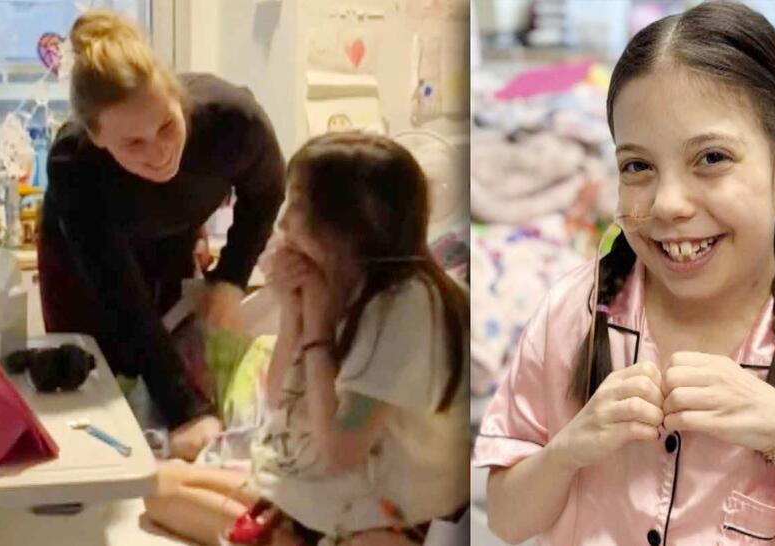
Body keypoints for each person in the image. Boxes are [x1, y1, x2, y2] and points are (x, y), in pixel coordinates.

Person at [475, 2, 775, 545]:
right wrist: (570, 448)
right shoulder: (571, 315)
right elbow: (507, 519)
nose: (669, 203)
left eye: (712, 158)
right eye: (637, 166)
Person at [143, 133, 470, 545]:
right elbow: (280, 397)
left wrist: (315, 327)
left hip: (388, 516)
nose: (282, 224)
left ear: (345, 223)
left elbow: (341, 449)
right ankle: (282, 532)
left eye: (296, 205)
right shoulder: (344, 281)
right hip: (330, 494)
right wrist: (294, 313)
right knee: (153, 487)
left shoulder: (407, 305)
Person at [39, 10, 285, 460]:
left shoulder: (233, 120)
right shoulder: (75, 166)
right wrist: (187, 413)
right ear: (97, 139)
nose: (159, 153)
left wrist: (230, 279)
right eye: (133, 144)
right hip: (84, 267)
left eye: (168, 125)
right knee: (106, 376)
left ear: (178, 98)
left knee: (184, 340)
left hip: (172, 233)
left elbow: (267, 193)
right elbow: (123, 300)